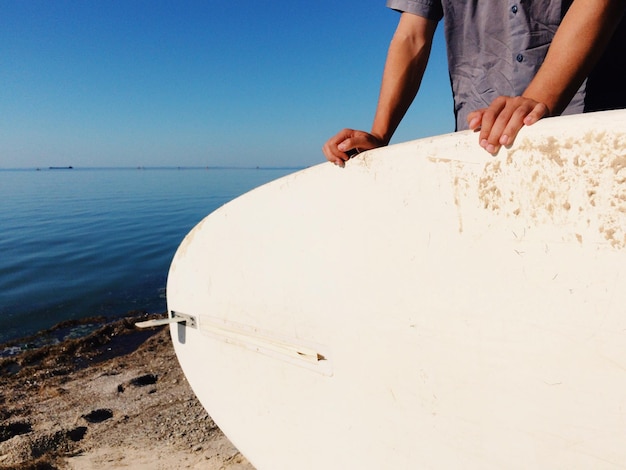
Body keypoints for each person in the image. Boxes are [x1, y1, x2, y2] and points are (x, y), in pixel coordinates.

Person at [323, 0, 626, 167]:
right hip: (480, 141)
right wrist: (380, 133)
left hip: (590, 130)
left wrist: (539, 97)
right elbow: (412, 35)